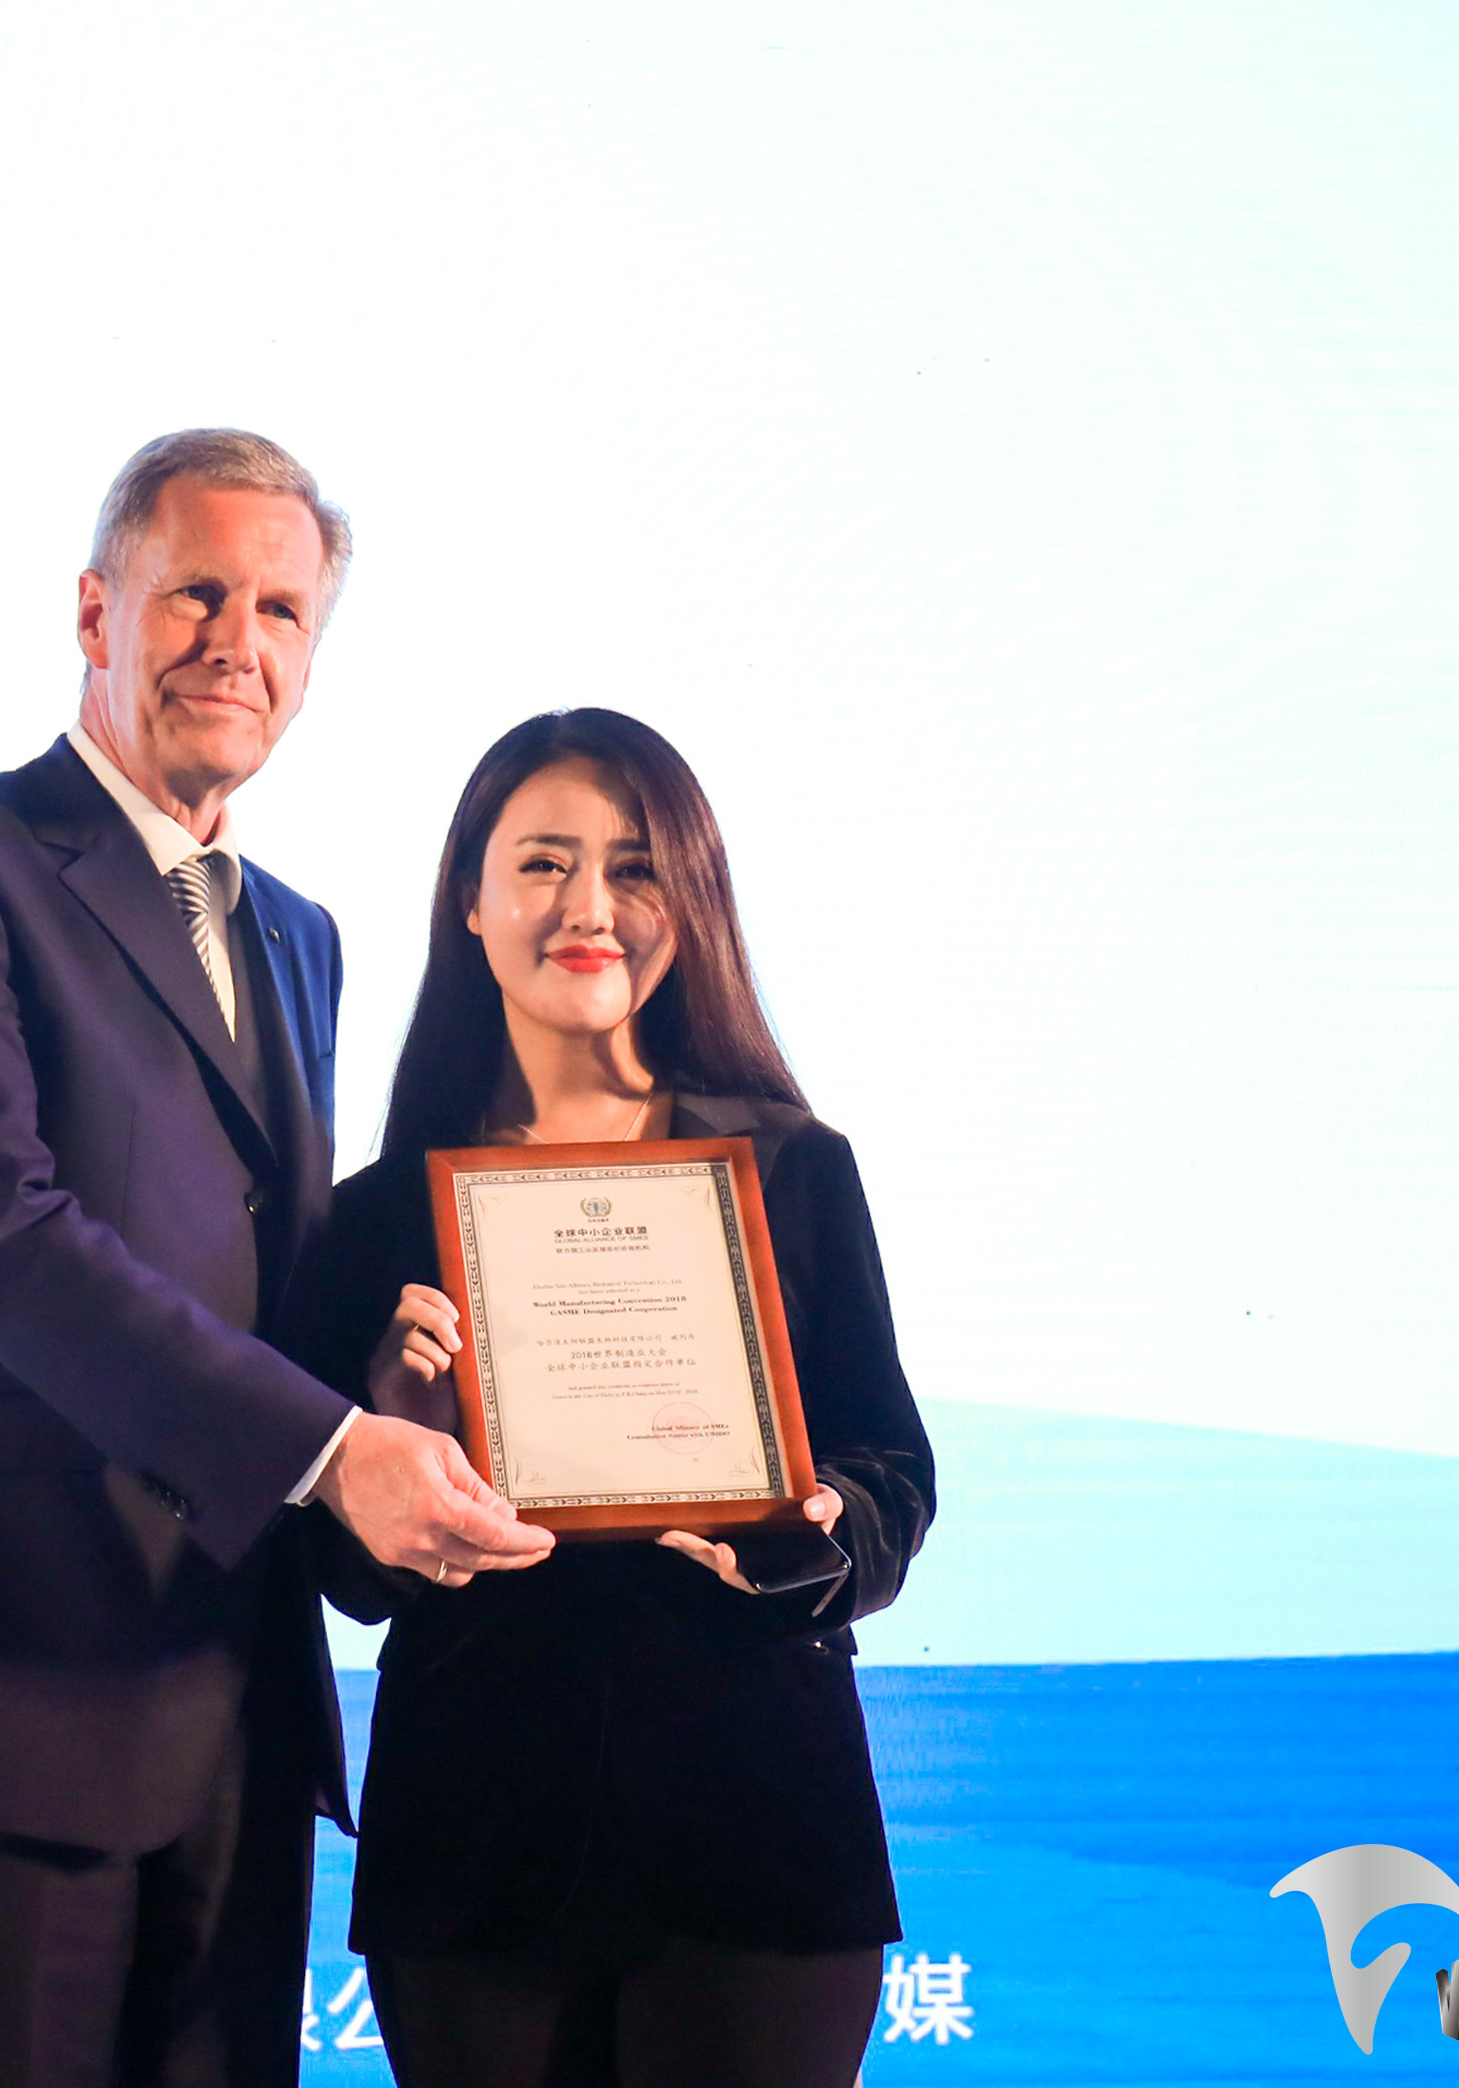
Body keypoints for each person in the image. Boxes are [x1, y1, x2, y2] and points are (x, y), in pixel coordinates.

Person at [0, 428, 554, 2087]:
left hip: (231, 1677)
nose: (235, 642)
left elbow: (272, 1270)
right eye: (196, 592)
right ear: (94, 610)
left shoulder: (298, 936)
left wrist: (388, 1380)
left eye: (281, 611)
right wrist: (332, 1449)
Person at [292, 708, 938, 2088]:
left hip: (760, 1831)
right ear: (470, 901)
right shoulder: (374, 1219)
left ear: (688, 903)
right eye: (544, 863)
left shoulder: (794, 1170)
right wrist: (398, 1430)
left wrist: (813, 1524)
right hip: (476, 1842)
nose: (590, 906)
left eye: (636, 868)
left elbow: (892, 1472)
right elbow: (345, 1579)